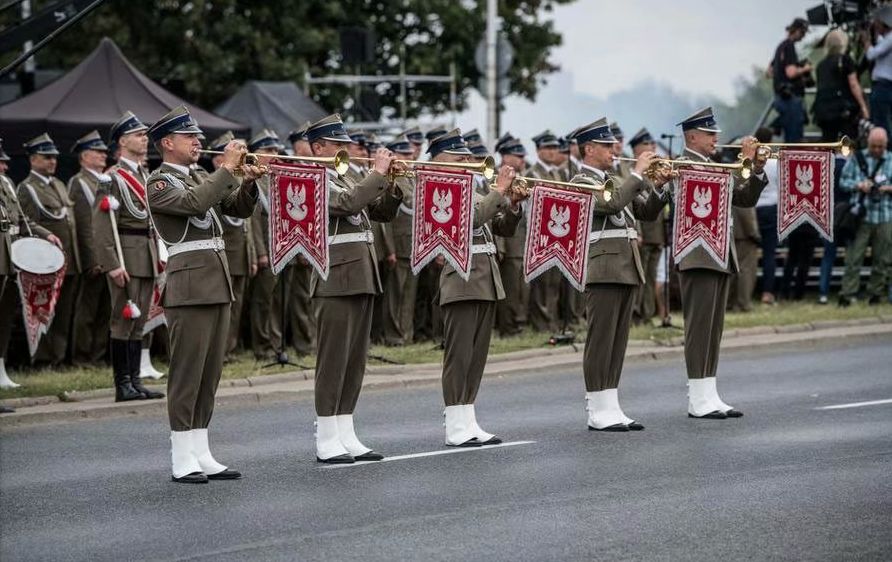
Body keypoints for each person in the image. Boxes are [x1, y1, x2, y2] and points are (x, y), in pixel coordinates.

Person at [146, 105, 260, 483]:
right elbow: (193, 204)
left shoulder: (198, 175)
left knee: (210, 372)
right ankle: (182, 454)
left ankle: (201, 449)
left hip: (215, 282)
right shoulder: (159, 182)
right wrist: (226, 170)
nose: (198, 142)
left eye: (197, 137)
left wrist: (249, 182)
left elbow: (236, 210)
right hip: (190, 286)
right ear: (167, 143)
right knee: (187, 372)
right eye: (189, 137)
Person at [308, 114, 402, 464]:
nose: (345, 148)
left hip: (362, 274)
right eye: (337, 143)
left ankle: (345, 429)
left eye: (345, 143)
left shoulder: (348, 175)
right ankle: (326, 433)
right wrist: (377, 173)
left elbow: (380, 213)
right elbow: (346, 204)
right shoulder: (313, 177)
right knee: (333, 361)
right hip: (335, 278)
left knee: (354, 361)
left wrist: (390, 184)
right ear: (318, 147)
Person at [573, 118, 670, 431]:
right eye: (605, 145)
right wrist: (638, 173)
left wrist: (660, 186)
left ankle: (611, 404)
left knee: (618, 341)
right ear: (589, 149)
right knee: (601, 339)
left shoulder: (614, 178)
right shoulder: (581, 180)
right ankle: (596, 407)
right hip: (602, 267)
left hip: (627, 266)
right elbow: (611, 204)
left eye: (613, 144)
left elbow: (644, 212)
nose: (614, 150)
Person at [430, 129, 524, 447]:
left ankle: (467, 419)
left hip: (485, 277)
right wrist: (498, 191)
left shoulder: (473, 188)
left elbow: (500, 227)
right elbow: (467, 221)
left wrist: (511, 204)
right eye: (461, 158)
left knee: (477, 356)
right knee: (459, 356)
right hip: (461, 279)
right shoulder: (439, 187)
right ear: (443, 161)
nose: (470, 162)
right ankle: (455, 423)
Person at [674, 107, 768, 419]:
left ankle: (709, 393)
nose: (716, 138)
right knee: (699, 328)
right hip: (698, 254)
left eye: (716, 133)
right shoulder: (684, 165)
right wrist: (742, 162)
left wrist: (755, 169)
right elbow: (705, 188)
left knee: (714, 329)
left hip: (718, 253)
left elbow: (744, 199)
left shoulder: (712, 164)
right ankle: (697, 396)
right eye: (710, 133)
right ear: (692, 137)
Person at [105, 111, 167, 382]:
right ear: (122, 141)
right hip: (126, 256)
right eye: (138, 135)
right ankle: (123, 383)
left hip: (146, 253)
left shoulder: (144, 174)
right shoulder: (112, 178)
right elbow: (102, 226)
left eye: (144, 135)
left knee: (139, 320)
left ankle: (134, 380)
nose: (144, 139)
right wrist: (112, 264)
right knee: (123, 319)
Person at [0, 139, 60, 388]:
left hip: (11, 255)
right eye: (1, 162)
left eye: (4, 162)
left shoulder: (7, 184)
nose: (4, 167)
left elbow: (22, 221)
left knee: (4, 316)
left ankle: (1, 368)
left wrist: (45, 233)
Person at [16, 134, 79, 366]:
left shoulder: (60, 184)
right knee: (43, 311)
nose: (52, 162)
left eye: (54, 157)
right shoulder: (27, 188)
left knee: (63, 312)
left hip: (68, 259)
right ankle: (42, 359)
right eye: (46, 157)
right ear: (33, 159)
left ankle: (59, 358)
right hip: (45, 262)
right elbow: (26, 223)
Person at [207, 132, 257, 361]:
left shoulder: (240, 180)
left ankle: (231, 348)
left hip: (243, 254)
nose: (243, 157)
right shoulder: (215, 182)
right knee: (226, 305)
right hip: (225, 253)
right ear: (220, 158)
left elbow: (249, 224)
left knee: (237, 307)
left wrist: (254, 255)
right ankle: (222, 350)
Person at [68, 131, 111, 365]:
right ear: (84, 156)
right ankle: (82, 357)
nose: (103, 155)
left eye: (104, 152)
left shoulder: (103, 180)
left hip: (109, 255)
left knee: (106, 309)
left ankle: (98, 354)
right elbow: (84, 225)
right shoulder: (79, 182)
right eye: (98, 152)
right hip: (94, 257)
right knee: (87, 309)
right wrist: (91, 259)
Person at [838, 127, 892, 306]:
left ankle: (875, 293)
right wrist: (859, 185)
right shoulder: (857, 158)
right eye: (874, 146)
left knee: (882, 258)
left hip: (884, 215)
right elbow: (843, 182)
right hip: (861, 215)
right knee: (854, 257)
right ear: (868, 143)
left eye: (880, 147)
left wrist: (887, 189)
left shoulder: (890, 159)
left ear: (885, 145)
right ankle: (848, 293)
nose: (877, 150)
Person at [248, 129, 286, 361]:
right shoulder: (255, 181)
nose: (274, 154)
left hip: (280, 248)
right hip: (266, 250)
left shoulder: (275, 179)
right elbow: (252, 221)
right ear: (255, 154)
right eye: (268, 150)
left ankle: (276, 343)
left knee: (276, 301)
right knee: (262, 302)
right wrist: (261, 252)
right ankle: (262, 347)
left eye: (275, 150)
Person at [381, 136, 418, 346]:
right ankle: (393, 336)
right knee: (395, 295)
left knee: (408, 296)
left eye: (410, 153)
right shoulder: (392, 178)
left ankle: (406, 333)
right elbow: (384, 218)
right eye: (404, 153)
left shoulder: (411, 177)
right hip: (399, 244)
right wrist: (390, 249)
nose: (409, 157)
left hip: (412, 245)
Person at [285, 124, 317, 356]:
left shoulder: (317, 168)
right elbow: (292, 215)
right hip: (301, 247)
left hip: (318, 245)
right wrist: (300, 249)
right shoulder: (292, 171)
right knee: (301, 298)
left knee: (315, 297)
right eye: (307, 142)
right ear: (297, 146)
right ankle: (304, 344)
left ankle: (314, 339)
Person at [494, 134, 530, 336]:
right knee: (508, 288)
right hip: (507, 241)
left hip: (520, 240)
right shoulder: (497, 178)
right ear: (505, 157)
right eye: (517, 155)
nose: (521, 159)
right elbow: (497, 208)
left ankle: (516, 324)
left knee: (519, 288)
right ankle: (507, 327)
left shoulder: (521, 176)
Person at [527, 130, 563, 332]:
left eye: (555, 148)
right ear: (539, 150)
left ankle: (552, 322)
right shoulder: (533, 173)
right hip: (541, 233)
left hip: (557, 232)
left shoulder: (556, 173)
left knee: (554, 282)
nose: (552, 152)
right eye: (548, 148)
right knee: (541, 283)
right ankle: (541, 325)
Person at [628, 128, 666, 323]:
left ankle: (647, 313)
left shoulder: (653, 171)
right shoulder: (634, 173)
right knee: (639, 277)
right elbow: (634, 204)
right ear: (636, 149)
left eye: (652, 144)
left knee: (651, 277)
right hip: (642, 232)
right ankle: (634, 313)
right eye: (646, 144)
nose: (652, 147)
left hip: (657, 232)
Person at [813, 29, 869, 143]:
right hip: (842, 109)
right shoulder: (845, 60)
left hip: (823, 110)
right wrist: (863, 106)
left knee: (828, 142)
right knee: (848, 141)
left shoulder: (820, 65)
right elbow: (853, 84)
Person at [771, 18, 812, 142]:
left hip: (780, 96)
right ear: (798, 31)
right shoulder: (789, 46)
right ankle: (773, 127)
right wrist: (805, 68)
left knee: (789, 136)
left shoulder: (781, 47)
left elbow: (769, 71)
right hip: (790, 99)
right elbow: (791, 72)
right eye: (803, 33)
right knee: (794, 139)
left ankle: (773, 127)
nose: (803, 37)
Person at [753, 127, 780, 304]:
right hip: (771, 207)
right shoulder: (775, 162)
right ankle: (767, 292)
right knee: (770, 253)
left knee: (749, 253)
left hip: (754, 209)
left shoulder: (753, 162)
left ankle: (748, 290)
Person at [863, 6, 892, 136]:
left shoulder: (891, 38)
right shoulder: (887, 38)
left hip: (884, 87)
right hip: (883, 86)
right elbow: (881, 43)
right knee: (882, 122)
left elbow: (871, 55)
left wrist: (866, 42)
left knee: (881, 124)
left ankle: (886, 152)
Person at [730, 206, 761, 311]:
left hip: (732, 234)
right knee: (746, 270)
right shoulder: (743, 190)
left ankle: (730, 302)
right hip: (744, 236)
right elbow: (746, 213)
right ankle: (743, 303)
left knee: (732, 270)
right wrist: (754, 234)